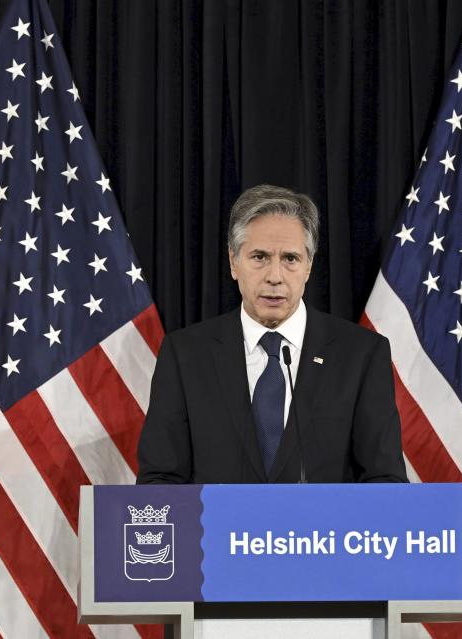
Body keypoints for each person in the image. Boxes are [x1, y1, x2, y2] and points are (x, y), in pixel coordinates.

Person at [136, 184, 407, 484]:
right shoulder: (185, 355)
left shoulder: (361, 355)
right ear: (233, 262)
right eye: (259, 257)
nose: (275, 277)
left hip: (323, 531)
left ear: (309, 266)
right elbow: (160, 480)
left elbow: (385, 481)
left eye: (290, 259)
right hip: (216, 530)